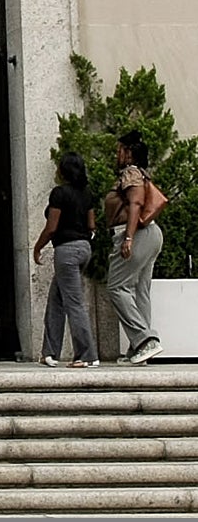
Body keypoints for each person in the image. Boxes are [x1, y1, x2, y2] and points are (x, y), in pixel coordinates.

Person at [32, 150, 98, 367]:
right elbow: (91, 225)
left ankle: (87, 355)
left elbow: (52, 227)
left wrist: (38, 247)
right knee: (56, 300)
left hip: (67, 250)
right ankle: (49, 353)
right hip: (84, 248)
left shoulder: (59, 194)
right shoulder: (87, 193)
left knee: (74, 303)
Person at [106, 130, 163, 364]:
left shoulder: (130, 173)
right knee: (140, 291)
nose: (117, 154)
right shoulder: (140, 173)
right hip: (151, 234)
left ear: (128, 154)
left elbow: (136, 203)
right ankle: (139, 348)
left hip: (136, 234)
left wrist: (128, 237)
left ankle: (144, 340)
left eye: (120, 150)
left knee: (116, 287)